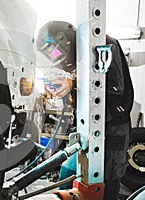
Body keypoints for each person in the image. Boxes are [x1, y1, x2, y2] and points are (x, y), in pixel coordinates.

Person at [36, 21, 134, 200]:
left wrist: (73, 84)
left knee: (108, 183)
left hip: (112, 127)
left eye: (62, 57)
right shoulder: (77, 53)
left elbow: (114, 89)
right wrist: (63, 89)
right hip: (87, 127)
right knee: (68, 174)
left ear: (66, 41)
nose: (64, 63)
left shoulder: (102, 44)